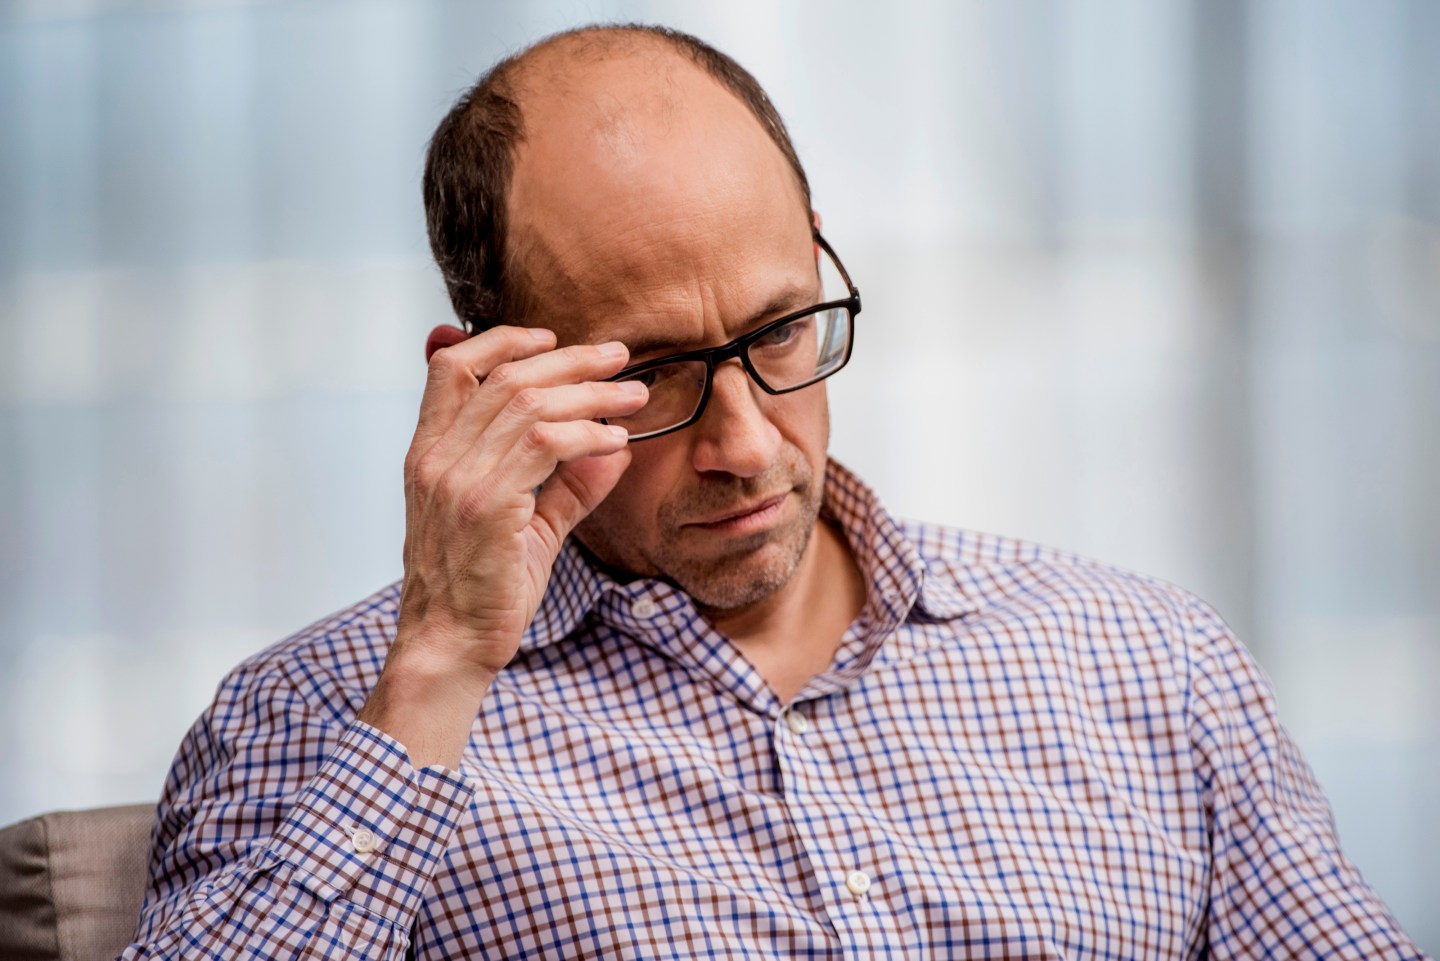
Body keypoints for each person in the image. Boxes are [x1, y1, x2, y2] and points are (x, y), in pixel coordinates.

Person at [123, 23, 1425, 961]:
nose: (746, 439)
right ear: (487, 377)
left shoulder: (1147, 661)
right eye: (654, 373)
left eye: (782, 331)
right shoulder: (308, 719)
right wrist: (441, 665)